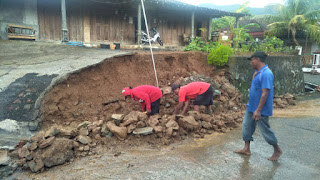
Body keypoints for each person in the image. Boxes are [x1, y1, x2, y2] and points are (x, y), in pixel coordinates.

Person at [234, 51, 282, 161]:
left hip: (260, 109)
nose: (251, 62)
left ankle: (277, 149)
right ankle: (246, 149)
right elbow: (255, 89)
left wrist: (258, 110)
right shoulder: (258, 73)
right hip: (251, 106)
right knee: (246, 127)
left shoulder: (266, 74)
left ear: (258, 60)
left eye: (252, 60)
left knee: (265, 130)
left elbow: (265, 93)